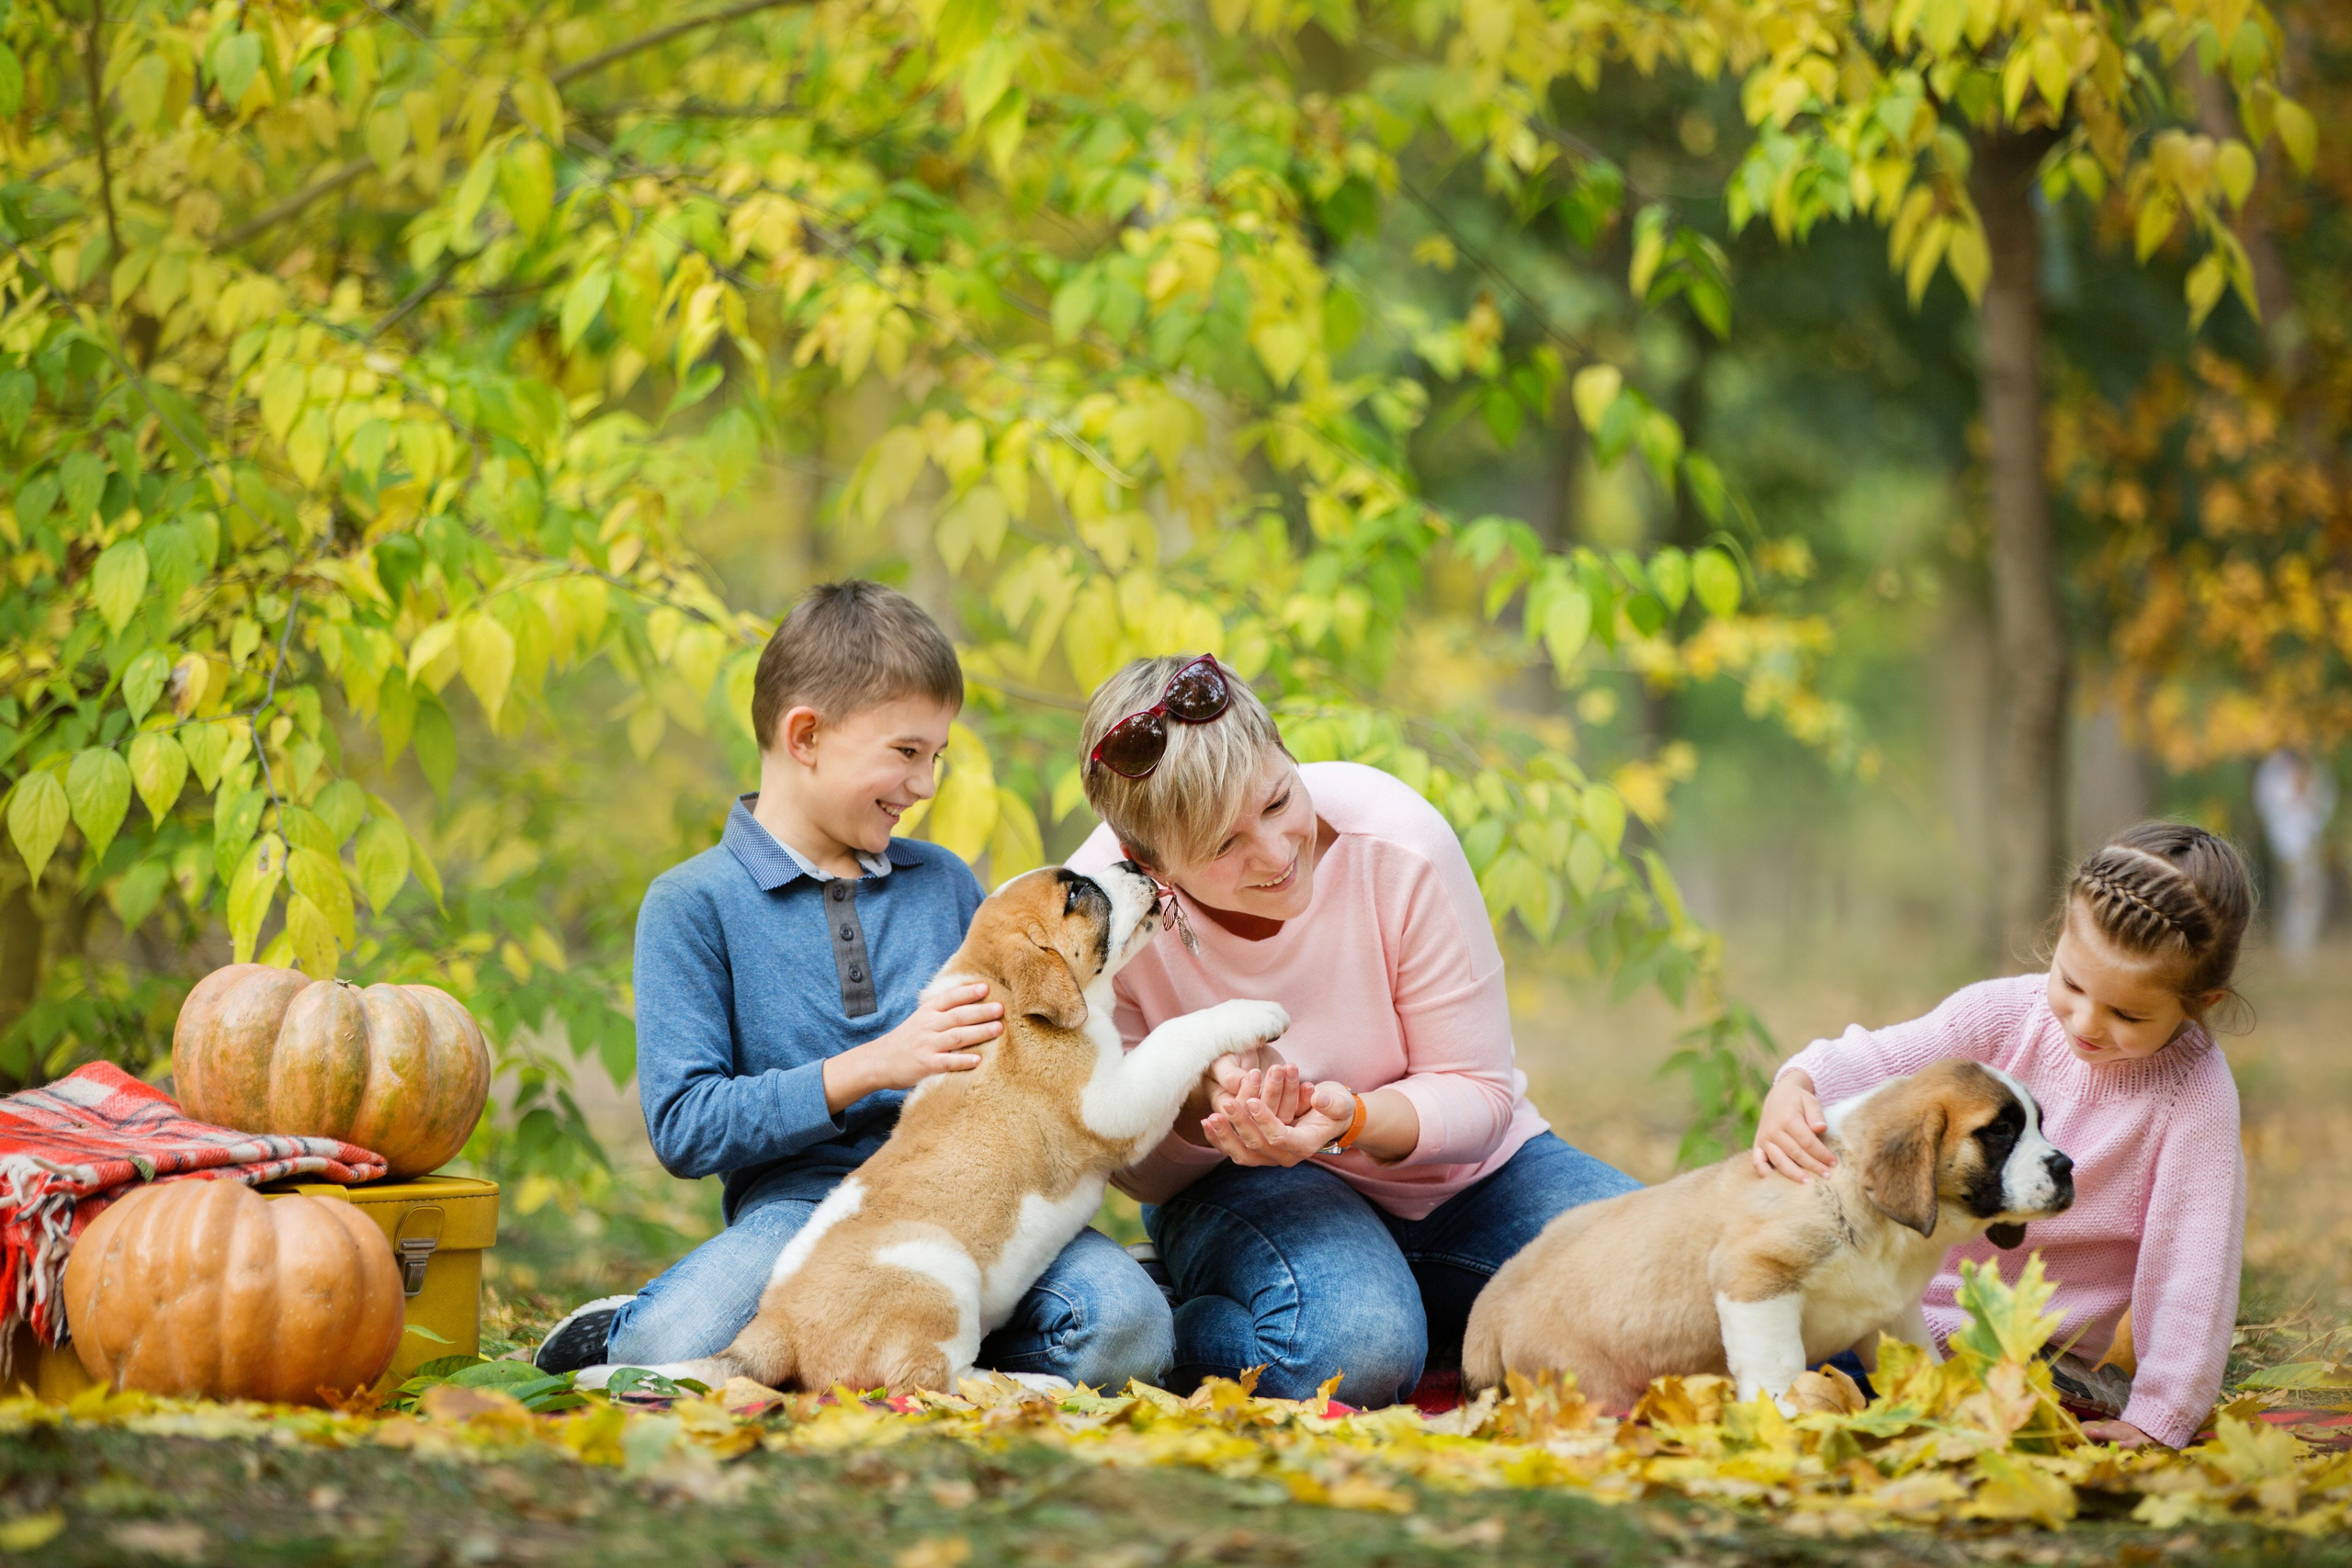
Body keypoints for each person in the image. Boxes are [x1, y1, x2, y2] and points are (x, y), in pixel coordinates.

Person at [533, 581, 1171, 1384]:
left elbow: (1039, 1037)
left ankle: (925, 1348)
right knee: (666, 1353)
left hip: (974, 1204)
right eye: (907, 752)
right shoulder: (692, 904)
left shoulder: (942, 882)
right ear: (805, 735)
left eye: (937, 756)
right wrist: (874, 1064)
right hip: (803, 1214)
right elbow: (686, 1126)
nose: (929, 783)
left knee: (1129, 1330)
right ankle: (630, 1322)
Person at [1065, 653, 1640, 1406]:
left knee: (1682, 1290)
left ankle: (1420, 1310)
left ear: (1290, 759)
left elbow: (1480, 1095)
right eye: (1223, 845)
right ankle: (1180, 1319)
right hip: (1252, 1189)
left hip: (1469, 1177)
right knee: (1353, 1356)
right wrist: (1201, 1103)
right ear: (1149, 864)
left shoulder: (1399, 845)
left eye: (1277, 802)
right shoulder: (1101, 917)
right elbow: (1131, 1165)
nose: (1275, 854)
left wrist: (1353, 1119)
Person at [1752, 821, 2253, 1450]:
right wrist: (1798, 1082)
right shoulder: (2002, 1016)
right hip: (1889, 1316)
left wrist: (2161, 1414)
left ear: (2201, 1000)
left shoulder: (2194, 1098)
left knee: (1756, 1338)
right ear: (2059, 936)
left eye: (2126, 1013)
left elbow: (2193, 1274)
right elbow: (1881, 1059)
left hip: (2024, 1362)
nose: (2086, 1021)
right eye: (2071, 983)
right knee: (1724, 1288)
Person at [2254, 749, 2335, 966]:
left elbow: (2323, 806)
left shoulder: (2316, 768)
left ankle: (2301, 947)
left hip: (2308, 841)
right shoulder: (2273, 769)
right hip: (2286, 845)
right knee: (2297, 894)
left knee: (2308, 895)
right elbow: (2269, 807)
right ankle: (2294, 949)